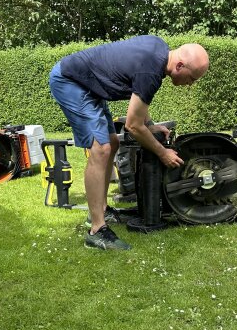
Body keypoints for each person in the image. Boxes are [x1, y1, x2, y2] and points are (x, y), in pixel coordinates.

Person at [48, 35, 209, 250]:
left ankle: (102, 209)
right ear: (180, 65)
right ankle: (96, 230)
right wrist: (163, 153)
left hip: (88, 84)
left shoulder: (159, 52)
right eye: (192, 78)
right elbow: (133, 126)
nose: (190, 84)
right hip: (70, 81)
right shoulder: (152, 70)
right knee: (101, 148)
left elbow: (139, 95)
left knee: (112, 143)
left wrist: (150, 124)